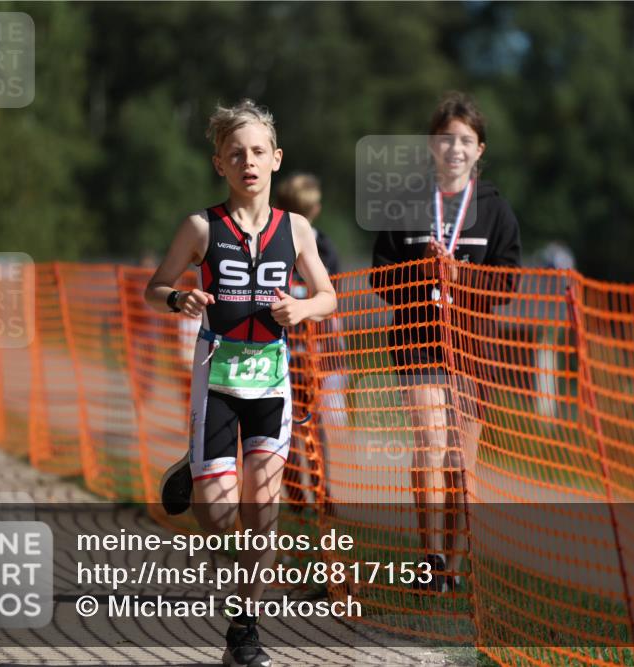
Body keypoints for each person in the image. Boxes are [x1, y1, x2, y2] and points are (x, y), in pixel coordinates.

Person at [145, 99, 336, 667]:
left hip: (271, 382)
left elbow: (327, 296)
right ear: (219, 164)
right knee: (222, 516)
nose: (247, 162)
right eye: (236, 154)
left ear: (275, 160)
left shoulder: (296, 230)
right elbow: (154, 287)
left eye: (257, 152)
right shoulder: (201, 227)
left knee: (263, 504)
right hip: (218, 378)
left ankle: (245, 629)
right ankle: (194, 465)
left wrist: (302, 311)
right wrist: (181, 298)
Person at [371, 91, 522, 592]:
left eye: (466, 141)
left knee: (462, 458)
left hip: (474, 348)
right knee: (430, 443)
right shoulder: (407, 203)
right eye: (445, 139)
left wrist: (460, 276)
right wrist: (421, 274)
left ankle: (456, 567)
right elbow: (380, 276)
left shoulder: (496, 211)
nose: (454, 149)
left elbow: (508, 283)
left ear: (480, 150)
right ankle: (429, 557)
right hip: (418, 340)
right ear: (431, 146)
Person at [274, 174, 345, 510]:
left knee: (286, 422)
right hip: (301, 349)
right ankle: (315, 491)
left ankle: (308, 493)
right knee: (306, 423)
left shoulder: (274, 238)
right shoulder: (321, 244)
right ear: (313, 208)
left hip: (297, 349)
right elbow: (333, 295)